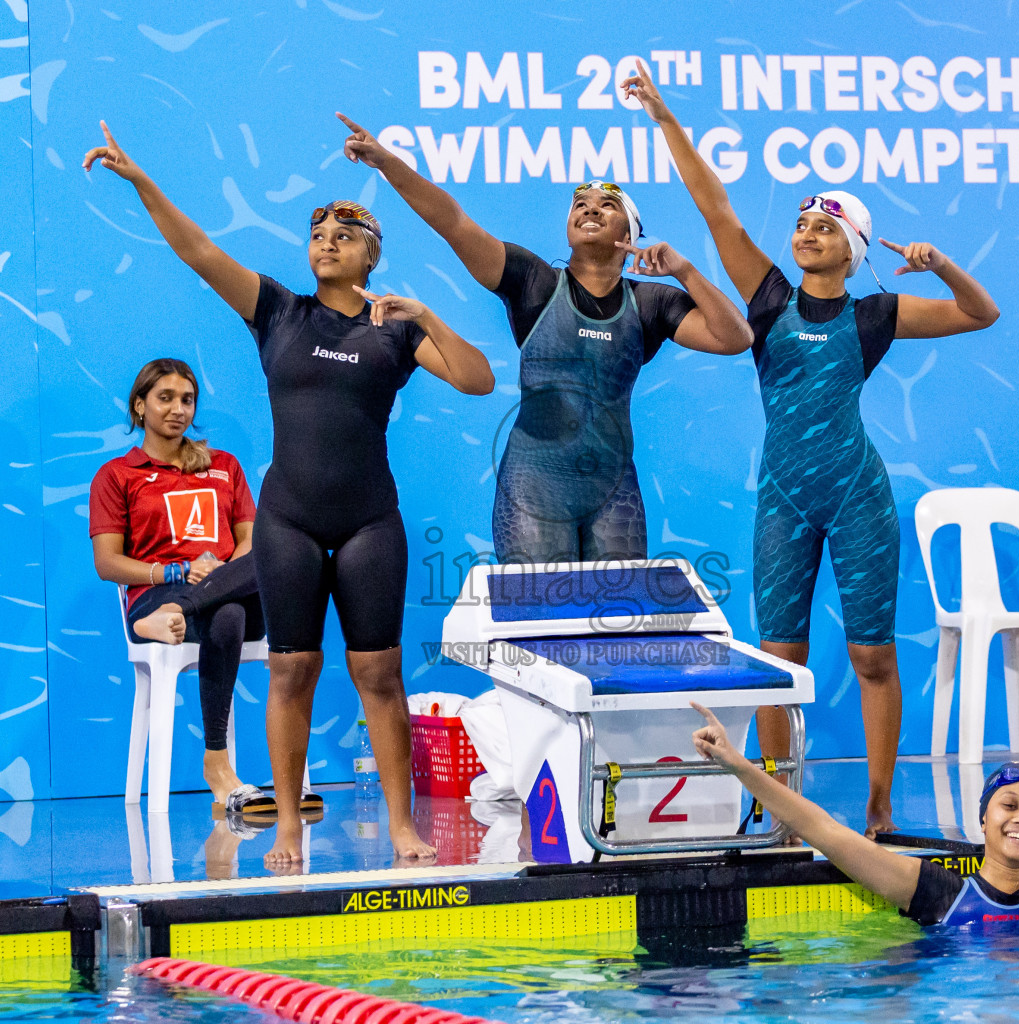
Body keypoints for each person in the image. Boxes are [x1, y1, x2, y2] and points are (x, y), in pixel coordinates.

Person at [83, 122, 495, 867]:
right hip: (289, 519)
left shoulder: (395, 332)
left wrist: (426, 316)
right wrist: (141, 181)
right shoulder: (279, 310)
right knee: (292, 668)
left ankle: (404, 828)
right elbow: (198, 252)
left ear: (372, 254)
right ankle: (289, 827)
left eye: (346, 231)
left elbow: (477, 379)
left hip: (370, 518)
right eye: (317, 230)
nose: (327, 238)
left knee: (380, 674)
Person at [621, 67, 999, 836]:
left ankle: (883, 805)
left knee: (871, 658)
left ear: (853, 249)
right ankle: (781, 801)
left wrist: (942, 263)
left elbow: (980, 313)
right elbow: (714, 207)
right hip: (785, 495)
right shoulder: (766, 299)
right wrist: (665, 119)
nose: (806, 231)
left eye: (825, 225)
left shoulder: (877, 315)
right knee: (778, 660)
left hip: (858, 495)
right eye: (802, 221)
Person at [334, 113, 752, 565]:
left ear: (631, 235)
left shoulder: (651, 304)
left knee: (618, 633)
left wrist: (686, 272)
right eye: (580, 203)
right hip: (535, 488)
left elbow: (735, 338)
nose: (590, 208)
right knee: (539, 630)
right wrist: (387, 163)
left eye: (607, 206)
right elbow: (454, 222)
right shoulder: (532, 282)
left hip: (614, 493)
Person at [690, 703, 1019, 926]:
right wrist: (738, 764)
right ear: (982, 819)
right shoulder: (939, 892)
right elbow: (827, 833)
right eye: (1009, 805)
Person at [89, 358, 269, 813]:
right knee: (226, 614)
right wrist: (174, 573)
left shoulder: (224, 465)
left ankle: (180, 610)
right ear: (139, 405)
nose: (178, 409)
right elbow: (107, 563)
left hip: (224, 590)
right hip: (158, 596)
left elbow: (248, 542)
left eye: (187, 399)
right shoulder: (117, 476)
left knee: (274, 552)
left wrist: (220, 573)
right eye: (164, 398)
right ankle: (217, 764)